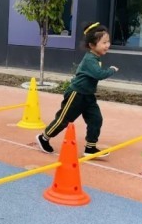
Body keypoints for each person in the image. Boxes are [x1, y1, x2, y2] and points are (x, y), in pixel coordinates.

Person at [36, 22, 119, 158]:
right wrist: (111, 70)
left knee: (96, 119)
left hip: (88, 95)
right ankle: (44, 137)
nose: (107, 45)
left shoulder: (96, 58)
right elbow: (99, 74)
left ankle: (90, 147)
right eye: (104, 42)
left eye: (108, 42)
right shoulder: (90, 59)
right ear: (92, 45)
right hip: (77, 94)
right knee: (64, 119)